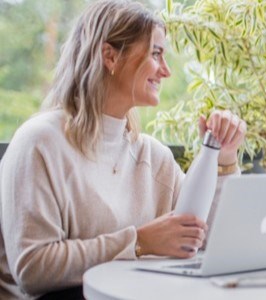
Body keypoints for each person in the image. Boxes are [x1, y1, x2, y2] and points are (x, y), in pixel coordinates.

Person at [0, 0, 247, 298]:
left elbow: (209, 239)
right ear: (110, 56)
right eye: (156, 54)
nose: (166, 71)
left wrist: (223, 160)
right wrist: (140, 242)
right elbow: (33, 269)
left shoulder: (153, 159)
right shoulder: (39, 143)